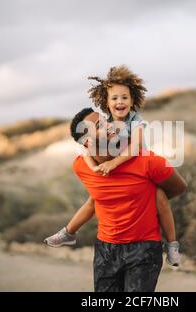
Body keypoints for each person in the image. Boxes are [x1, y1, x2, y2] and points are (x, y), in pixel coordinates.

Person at [45, 66, 181, 266]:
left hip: (140, 170)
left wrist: (113, 162)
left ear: (133, 100)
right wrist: (93, 168)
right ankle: (69, 232)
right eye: (115, 98)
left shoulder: (136, 121)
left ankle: (172, 245)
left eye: (125, 97)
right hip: (116, 172)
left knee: (160, 199)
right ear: (106, 103)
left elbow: (134, 148)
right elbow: (86, 150)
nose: (120, 102)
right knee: (94, 200)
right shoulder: (105, 123)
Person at [54, 108, 187, 291]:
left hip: (144, 248)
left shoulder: (147, 161)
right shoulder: (80, 167)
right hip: (105, 249)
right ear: (87, 142)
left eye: (105, 120)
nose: (110, 125)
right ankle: (67, 233)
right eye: (100, 125)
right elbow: (97, 199)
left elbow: (179, 187)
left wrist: (147, 201)